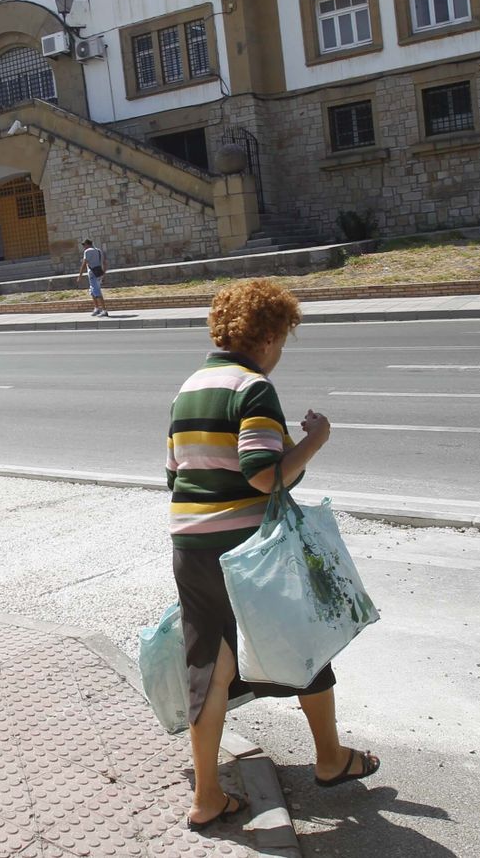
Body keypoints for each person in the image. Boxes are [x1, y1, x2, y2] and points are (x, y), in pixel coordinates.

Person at [165, 278, 378, 831]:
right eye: (282, 338)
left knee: (210, 669)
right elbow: (263, 475)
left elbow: (175, 474)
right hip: (248, 550)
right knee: (302, 642)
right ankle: (330, 759)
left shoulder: (189, 388)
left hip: (191, 547)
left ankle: (207, 796)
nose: (280, 350)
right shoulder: (253, 387)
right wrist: (314, 441)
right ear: (266, 336)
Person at [79, 239, 107, 317]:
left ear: (88, 244)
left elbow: (84, 264)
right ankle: (97, 308)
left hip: (92, 274)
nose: (83, 247)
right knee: (92, 291)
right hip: (99, 273)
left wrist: (80, 275)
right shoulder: (99, 251)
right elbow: (104, 263)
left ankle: (104, 310)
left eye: (84, 245)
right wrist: (103, 274)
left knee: (97, 292)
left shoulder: (87, 251)